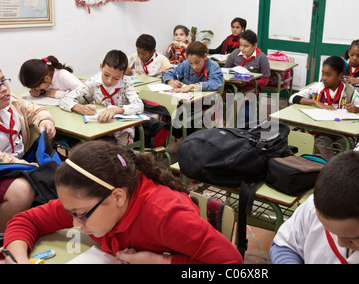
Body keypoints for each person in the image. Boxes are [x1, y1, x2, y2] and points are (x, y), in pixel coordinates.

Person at [3, 140, 244, 264]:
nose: (76, 224)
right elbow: (26, 219)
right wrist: (19, 259)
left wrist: (161, 261)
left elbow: (232, 264)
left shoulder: (169, 217)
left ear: (117, 197)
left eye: (82, 214)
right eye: (72, 213)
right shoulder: (88, 201)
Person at [0, 69, 56, 233]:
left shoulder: (12, 103)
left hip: (19, 165)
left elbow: (36, 110)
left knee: (59, 172)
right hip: (6, 168)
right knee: (23, 191)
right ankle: (5, 236)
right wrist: (28, 166)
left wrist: (45, 120)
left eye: (3, 81)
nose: (4, 88)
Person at [289, 56, 359, 160]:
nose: (324, 78)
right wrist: (315, 102)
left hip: (343, 133)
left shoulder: (349, 91)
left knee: (348, 155)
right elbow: (293, 98)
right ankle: (331, 169)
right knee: (327, 155)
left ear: (340, 75)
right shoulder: (317, 88)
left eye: (328, 75)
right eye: (323, 73)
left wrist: (357, 109)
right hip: (321, 133)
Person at [59, 50, 144, 146]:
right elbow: (64, 100)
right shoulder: (93, 82)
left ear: (123, 75)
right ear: (101, 67)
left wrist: (116, 110)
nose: (109, 81)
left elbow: (139, 106)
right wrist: (79, 107)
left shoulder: (126, 84)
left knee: (121, 151)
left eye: (116, 78)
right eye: (106, 75)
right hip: (99, 126)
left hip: (122, 128)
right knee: (93, 150)